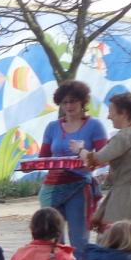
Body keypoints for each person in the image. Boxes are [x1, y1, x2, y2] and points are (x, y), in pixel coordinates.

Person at [38, 80, 108, 250]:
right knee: (52, 239)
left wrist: (84, 155)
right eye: (65, 102)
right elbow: (43, 158)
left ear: (83, 102)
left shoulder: (95, 126)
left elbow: (104, 158)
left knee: (79, 240)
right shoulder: (52, 127)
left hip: (79, 187)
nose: (69, 105)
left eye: (73, 100)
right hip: (52, 188)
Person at [80, 92, 131, 232]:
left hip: (124, 200)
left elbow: (96, 159)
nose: (109, 116)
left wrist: (79, 149)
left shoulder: (125, 136)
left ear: (123, 113)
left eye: (111, 112)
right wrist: (116, 174)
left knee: (115, 239)